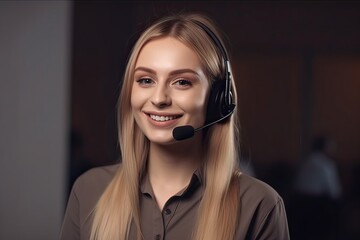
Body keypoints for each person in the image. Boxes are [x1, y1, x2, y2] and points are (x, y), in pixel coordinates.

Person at [60, 13, 289, 240]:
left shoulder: (259, 206)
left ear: (218, 99)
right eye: (146, 80)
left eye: (182, 82)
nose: (159, 99)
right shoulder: (89, 190)